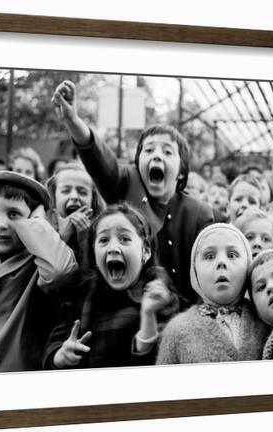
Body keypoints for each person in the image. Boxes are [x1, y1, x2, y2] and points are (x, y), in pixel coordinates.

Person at [52, 80, 214, 308]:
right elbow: (101, 160)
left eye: (167, 151)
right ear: (138, 163)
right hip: (128, 313)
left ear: (181, 172)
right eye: (148, 150)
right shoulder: (127, 182)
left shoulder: (199, 213)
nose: (156, 155)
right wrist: (72, 120)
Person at [43, 204, 179, 369]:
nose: (113, 248)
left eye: (124, 239)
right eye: (104, 240)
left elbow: (163, 363)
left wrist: (148, 315)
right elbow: (53, 346)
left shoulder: (159, 293)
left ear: (145, 252)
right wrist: (60, 356)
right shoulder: (81, 292)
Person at [0, 171, 78, 372]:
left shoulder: (37, 261)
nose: (2, 225)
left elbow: (59, 271)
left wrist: (38, 222)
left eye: (14, 214)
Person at [156, 224, 269, 364]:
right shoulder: (177, 330)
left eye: (232, 255)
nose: (221, 262)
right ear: (195, 271)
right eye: (209, 256)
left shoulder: (265, 318)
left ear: (248, 265)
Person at [46, 162, 105, 268]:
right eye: (65, 191)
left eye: (82, 192)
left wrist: (84, 242)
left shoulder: (102, 232)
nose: (74, 196)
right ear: (53, 198)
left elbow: (91, 279)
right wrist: (62, 238)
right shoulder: (42, 229)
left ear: (93, 200)